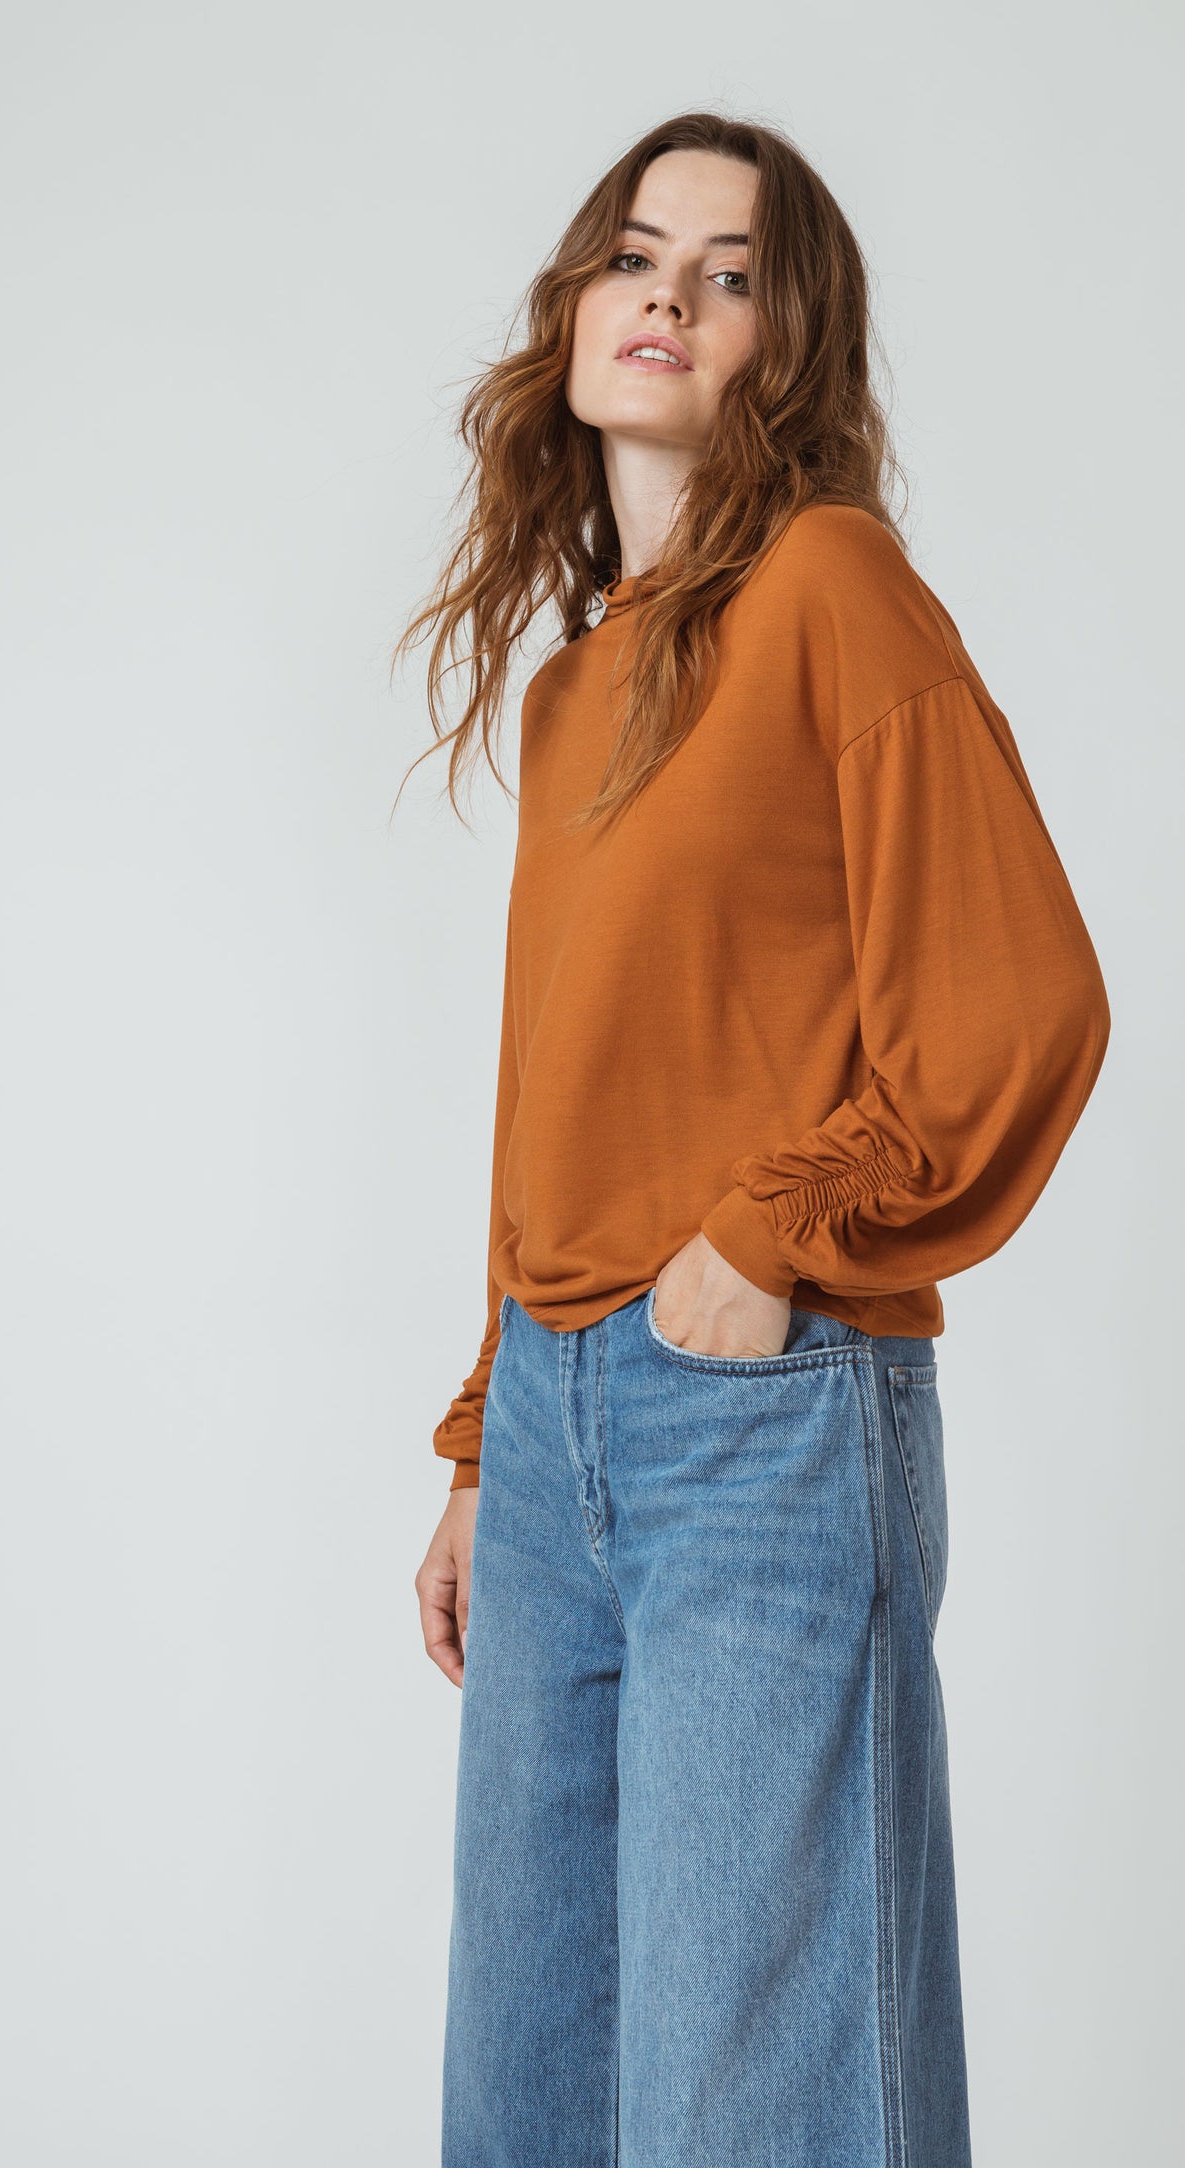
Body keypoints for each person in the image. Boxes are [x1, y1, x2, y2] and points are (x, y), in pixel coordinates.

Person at [397, 110, 1110, 2167]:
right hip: (555, 1430)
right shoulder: (576, 689)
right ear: (575, 303)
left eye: (730, 275)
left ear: (785, 347)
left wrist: (771, 1231)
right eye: (636, 256)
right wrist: (487, 1436)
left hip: (758, 1422)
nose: (671, 297)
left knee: (757, 2104)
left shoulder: (832, 586)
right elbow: (562, 1081)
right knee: (529, 2093)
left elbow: (1021, 1001)